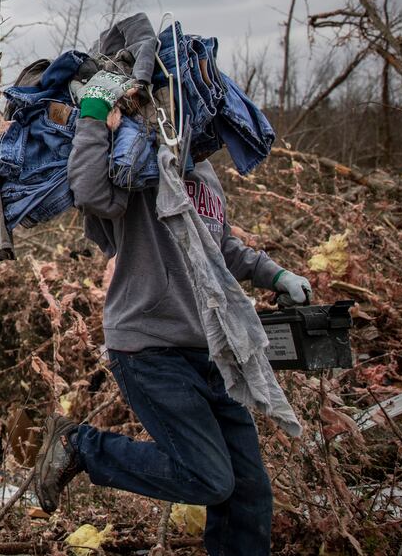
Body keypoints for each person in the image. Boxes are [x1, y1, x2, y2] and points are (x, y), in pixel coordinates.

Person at [31, 67, 312, 556]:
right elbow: (91, 194)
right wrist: (96, 115)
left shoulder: (203, 174)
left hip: (212, 349)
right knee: (206, 477)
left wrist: (277, 276)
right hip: (149, 347)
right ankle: (80, 446)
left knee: (248, 493)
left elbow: (220, 247)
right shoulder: (140, 163)